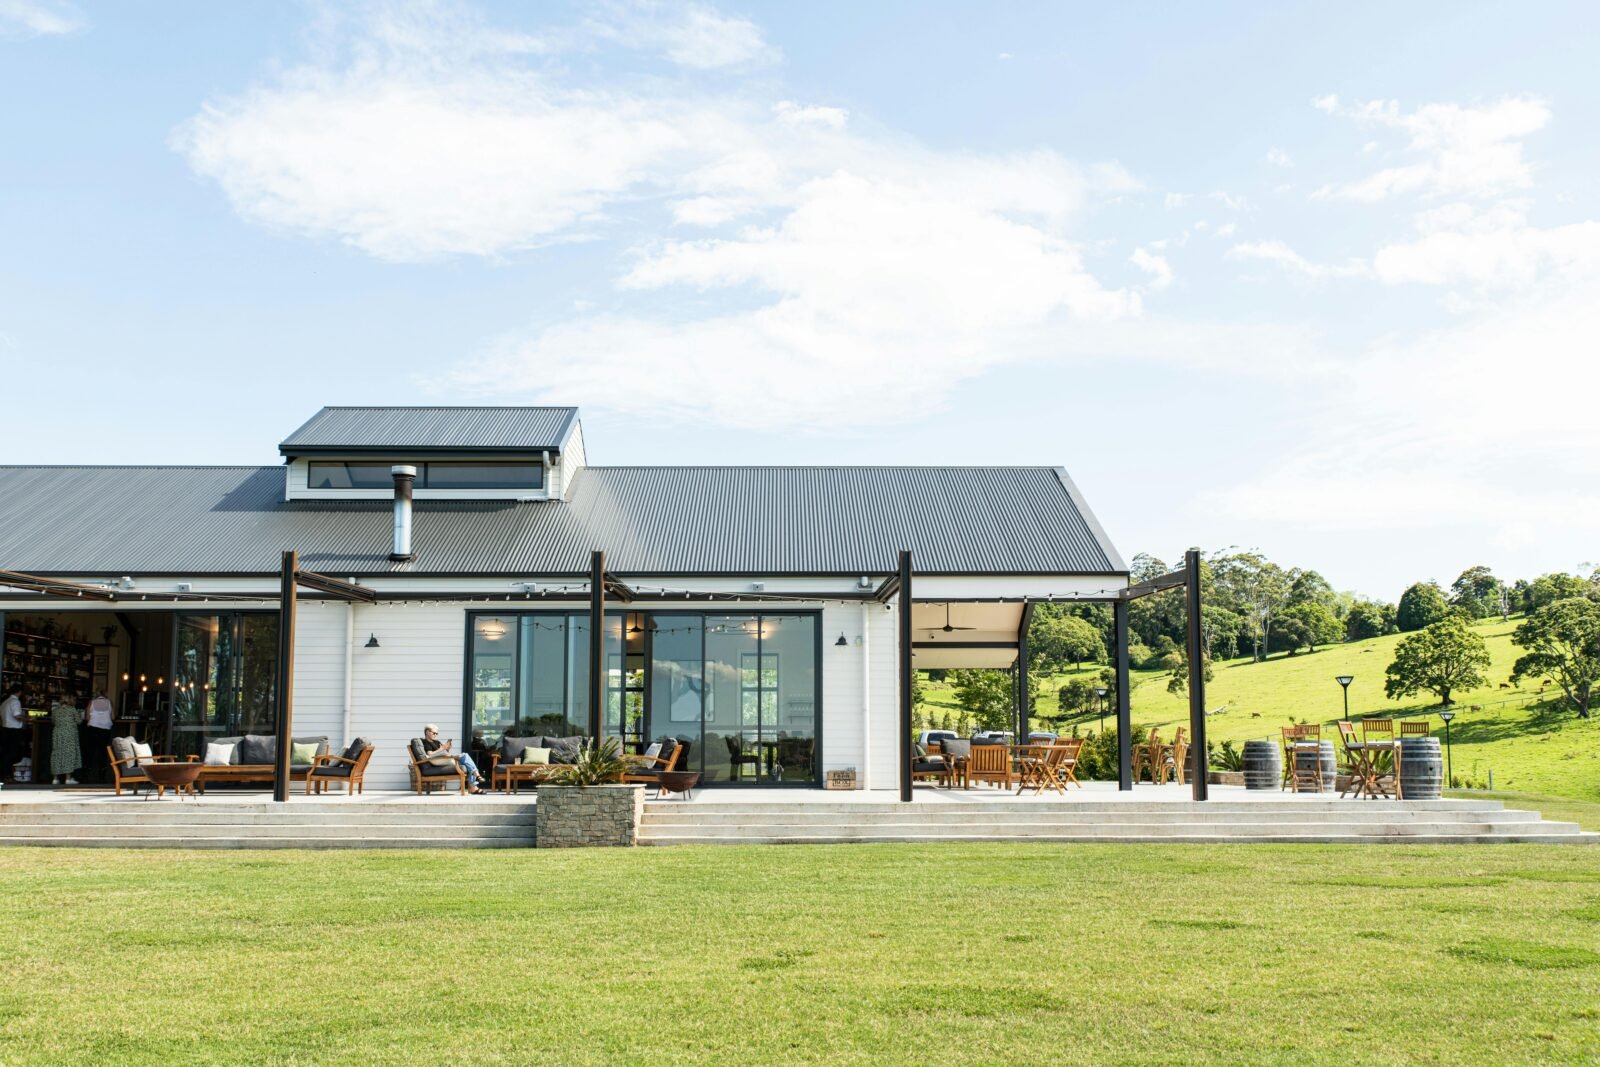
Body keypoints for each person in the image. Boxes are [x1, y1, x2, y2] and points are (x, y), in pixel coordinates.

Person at [421, 724, 485, 794]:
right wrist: (442, 748)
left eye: (437, 733)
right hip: (438, 762)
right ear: (427, 732)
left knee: (467, 763)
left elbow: (443, 753)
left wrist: (447, 749)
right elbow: (430, 754)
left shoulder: (437, 742)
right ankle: (475, 779)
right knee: (465, 756)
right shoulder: (425, 742)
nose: (435, 735)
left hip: (445, 759)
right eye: (434, 733)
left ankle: (473, 786)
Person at [84, 691, 115, 785]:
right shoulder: (109, 702)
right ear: (104, 695)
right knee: (103, 751)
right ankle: (102, 773)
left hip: (93, 728)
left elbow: (87, 718)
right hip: (105, 730)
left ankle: (88, 772)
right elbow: (113, 717)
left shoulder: (91, 702)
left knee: (91, 751)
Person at [50, 699, 82, 786]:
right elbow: (79, 721)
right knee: (68, 754)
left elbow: (53, 721)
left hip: (57, 734)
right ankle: (68, 778)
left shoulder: (56, 710)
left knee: (57, 753)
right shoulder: (72, 709)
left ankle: (55, 779)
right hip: (69, 734)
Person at [2, 686, 27, 783]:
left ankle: (5, 775)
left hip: (5, 729)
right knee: (12, 754)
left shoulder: (5, 702)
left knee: (5, 753)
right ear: (20, 692)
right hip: (13, 731)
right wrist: (28, 719)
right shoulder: (15, 701)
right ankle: (8, 776)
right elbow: (17, 716)